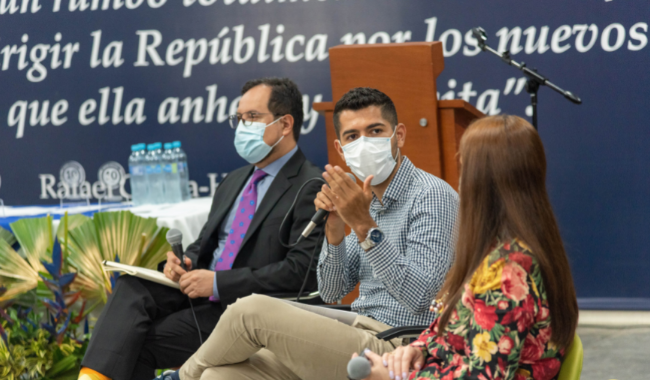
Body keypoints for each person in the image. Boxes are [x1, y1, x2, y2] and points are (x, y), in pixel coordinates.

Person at [170, 87, 459, 380]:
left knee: (249, 311)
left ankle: (177, 378)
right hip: (354, 328)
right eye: (352, 136)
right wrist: (334, 230)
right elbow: (332, 291)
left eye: (375, 131)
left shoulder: (431, 195)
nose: (364, 143)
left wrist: (364, 226)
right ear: (340, 149)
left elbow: (422, 298)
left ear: (398, 135)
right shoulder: (365, 199)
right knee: (220, 376)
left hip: (401, 345)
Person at [78, 77, 326, 380]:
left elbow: (300, 272)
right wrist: (184, 261)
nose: (241, 126)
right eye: (238, 118)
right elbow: (207, 244)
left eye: (252, 117)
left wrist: (219, 283)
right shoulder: (235, 180)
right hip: (199, 293)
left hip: (246, 308)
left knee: (136, 342)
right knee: (133, 288)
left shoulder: (310, 186)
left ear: (285, 124)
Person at [356, 115, 579, 380]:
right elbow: (451, 327)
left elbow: (483, 377)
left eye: (463, 170)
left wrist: (393, 378)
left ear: (479, 184)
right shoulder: (508, 251)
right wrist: (419, 349)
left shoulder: (506, 273)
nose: (459, 182)